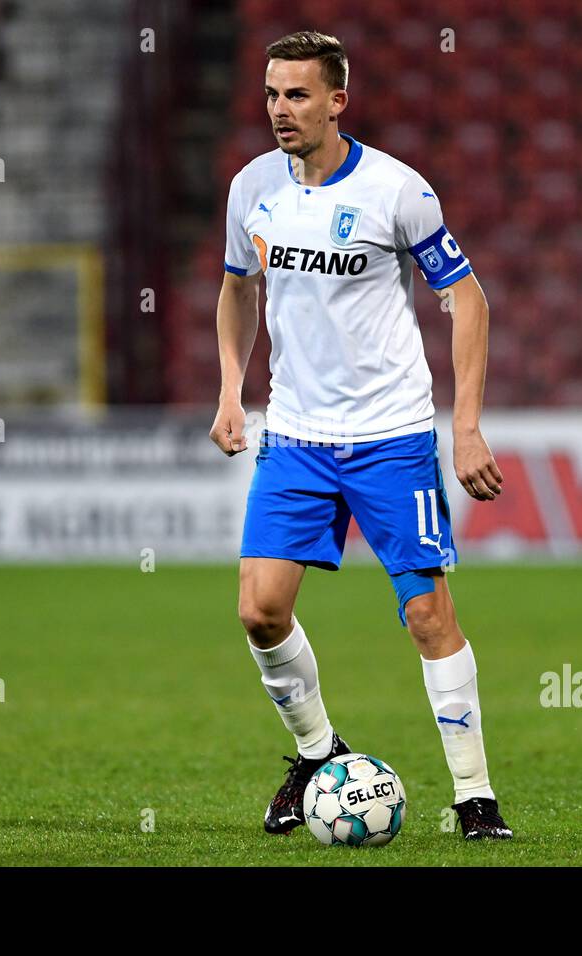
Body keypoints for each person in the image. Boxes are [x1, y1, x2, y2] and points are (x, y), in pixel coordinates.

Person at [209, 31, 511, 840]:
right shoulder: (252, 190)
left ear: (338, 101)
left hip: (391, 436)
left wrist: (468, 426)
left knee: (427, 617)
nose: (280, 109)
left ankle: (475, 797)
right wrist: (231, 390)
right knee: (259, 612)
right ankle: (317, 752)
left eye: (298, 95)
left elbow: (469, 299)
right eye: (272, 94)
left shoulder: (396, 190)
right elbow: (238, 290)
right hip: (297, 435)